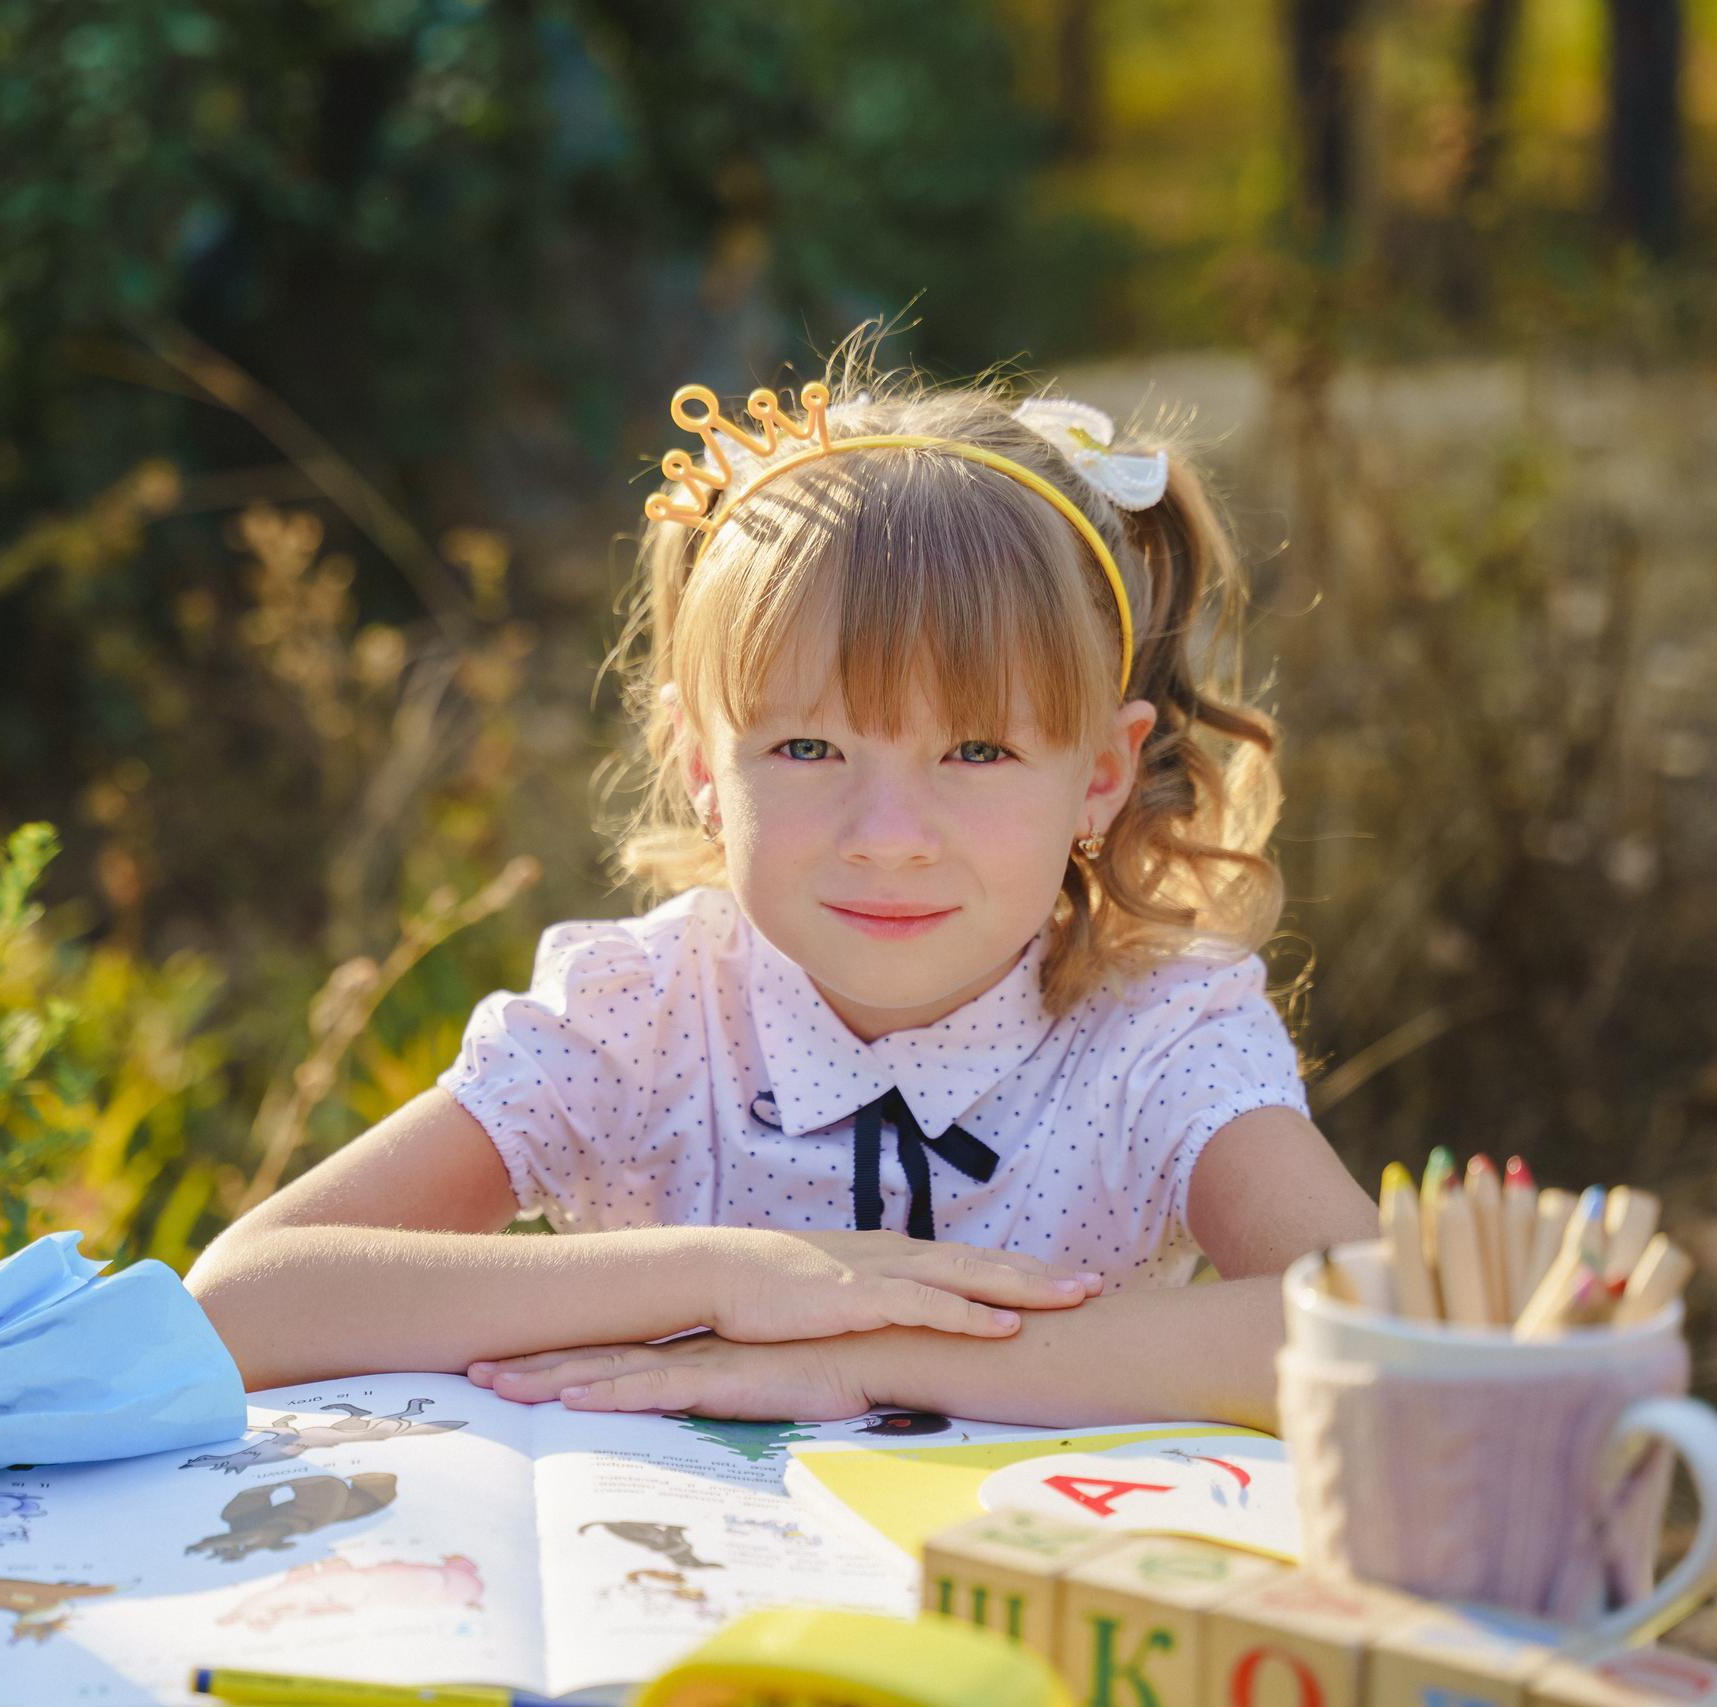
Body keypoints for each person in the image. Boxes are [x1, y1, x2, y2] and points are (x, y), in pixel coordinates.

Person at [189, 345, 1377, 1431]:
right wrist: (732, 1278)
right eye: (809, 750)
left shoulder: (1157, 1037)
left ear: (1101, 777)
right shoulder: (640, 1018)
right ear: (703, 768)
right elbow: (243, 1303)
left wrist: (872, 1354)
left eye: (978, 753)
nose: (891, 836)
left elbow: (1373, 1326)